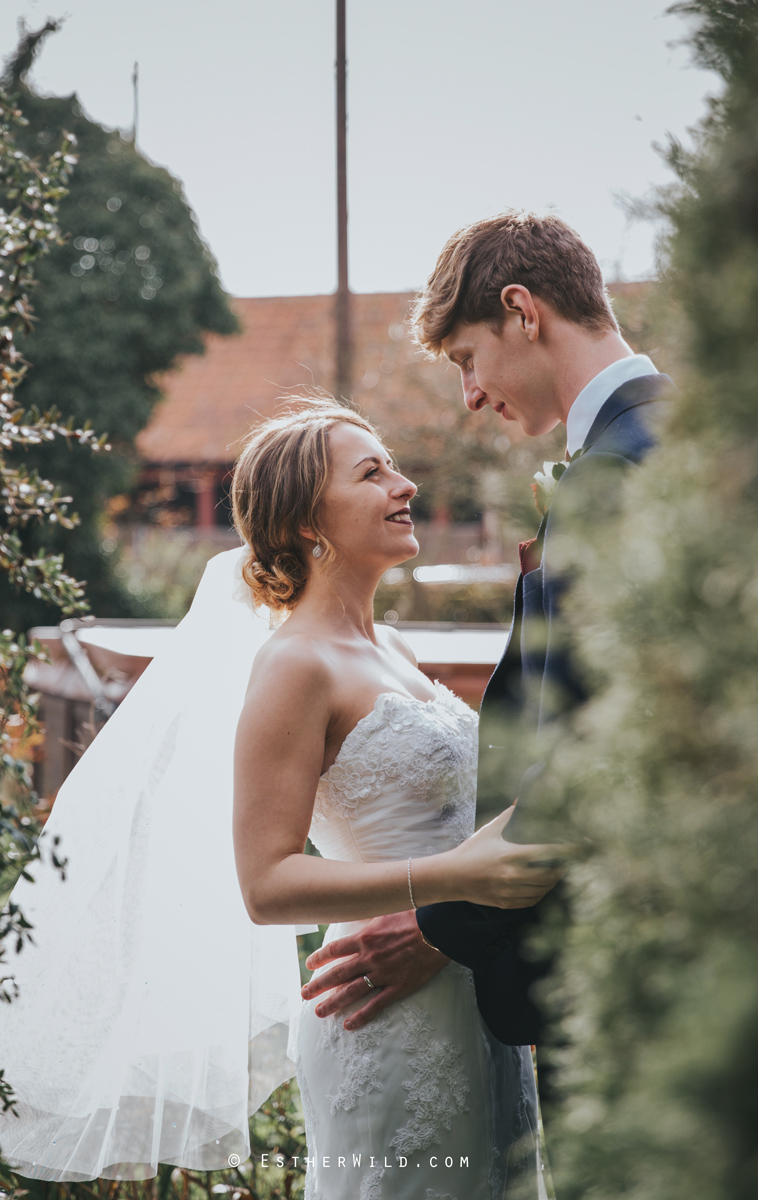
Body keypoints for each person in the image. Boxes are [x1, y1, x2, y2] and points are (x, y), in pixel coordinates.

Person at [299, 211, 674, 1089]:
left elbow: (591, 746)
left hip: (623, 959)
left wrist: (442, 927)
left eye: (468, 358)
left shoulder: (615, 474)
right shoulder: (674, 435)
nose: (469, 395)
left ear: (522, 310)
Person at [230, 400, 568, 1200]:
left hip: (470, 983)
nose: (406, 485)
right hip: (383, 1008)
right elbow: (266, 884)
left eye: (395, 466)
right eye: (372, 472)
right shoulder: (294, 667)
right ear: (308, 519)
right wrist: (450, 887)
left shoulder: (397, 650)